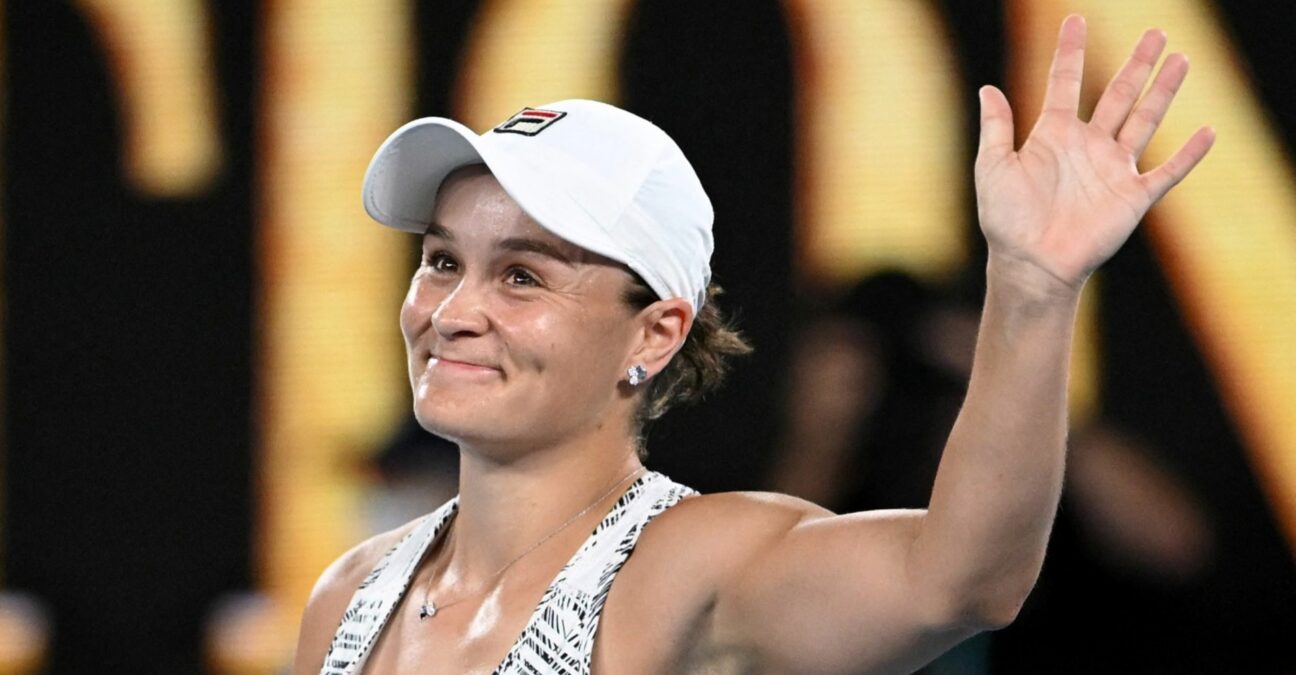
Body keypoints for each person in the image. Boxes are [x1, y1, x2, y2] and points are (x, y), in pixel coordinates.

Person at [292, 16, 1214, 674]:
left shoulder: (692, 564)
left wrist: (1034, 286)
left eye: (522, 275)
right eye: (442, 260)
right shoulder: (349, 594)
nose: (451, 309)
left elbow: (962, 582)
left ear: (654, 333)